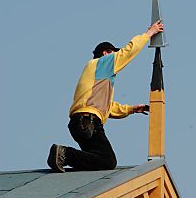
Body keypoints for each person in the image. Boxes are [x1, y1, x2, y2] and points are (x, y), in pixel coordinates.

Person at [47, 20, 164, 172]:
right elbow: (128, 52)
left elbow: (106, 106)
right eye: (113, 52)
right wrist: (149, 33)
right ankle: (65, 154)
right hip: (88, 121)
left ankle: (63, 156)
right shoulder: (103, 63)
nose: (116, 55)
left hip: (80, 122)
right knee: (107, 160)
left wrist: (131, 109)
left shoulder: (94, 76)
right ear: (105, 53)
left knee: (99, 161)